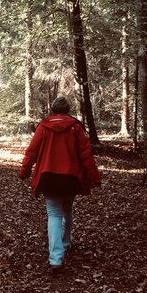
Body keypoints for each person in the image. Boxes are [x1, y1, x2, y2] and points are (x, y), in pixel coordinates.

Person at [19, 97, 101, 273]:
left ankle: (56, 259)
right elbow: (86, 155)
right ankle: (65, 242)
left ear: (53, 110)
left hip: (49, 177)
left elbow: (31, 151)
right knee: (67, 210)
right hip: (71, 177)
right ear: (67, 110)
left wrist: (24, 171)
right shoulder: (75, 127)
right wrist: (95, 177)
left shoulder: (44, 126)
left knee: (54, 214)